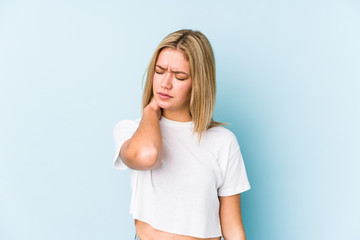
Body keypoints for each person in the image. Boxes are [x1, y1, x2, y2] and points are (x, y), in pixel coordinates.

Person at [113, 29, 251, 240]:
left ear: (199, 82)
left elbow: (232, 227)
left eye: (179, 76)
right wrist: (150, 110)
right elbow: (148, 156)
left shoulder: (224, 142)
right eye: (159, 71)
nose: (165, 84)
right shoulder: (131, 131)